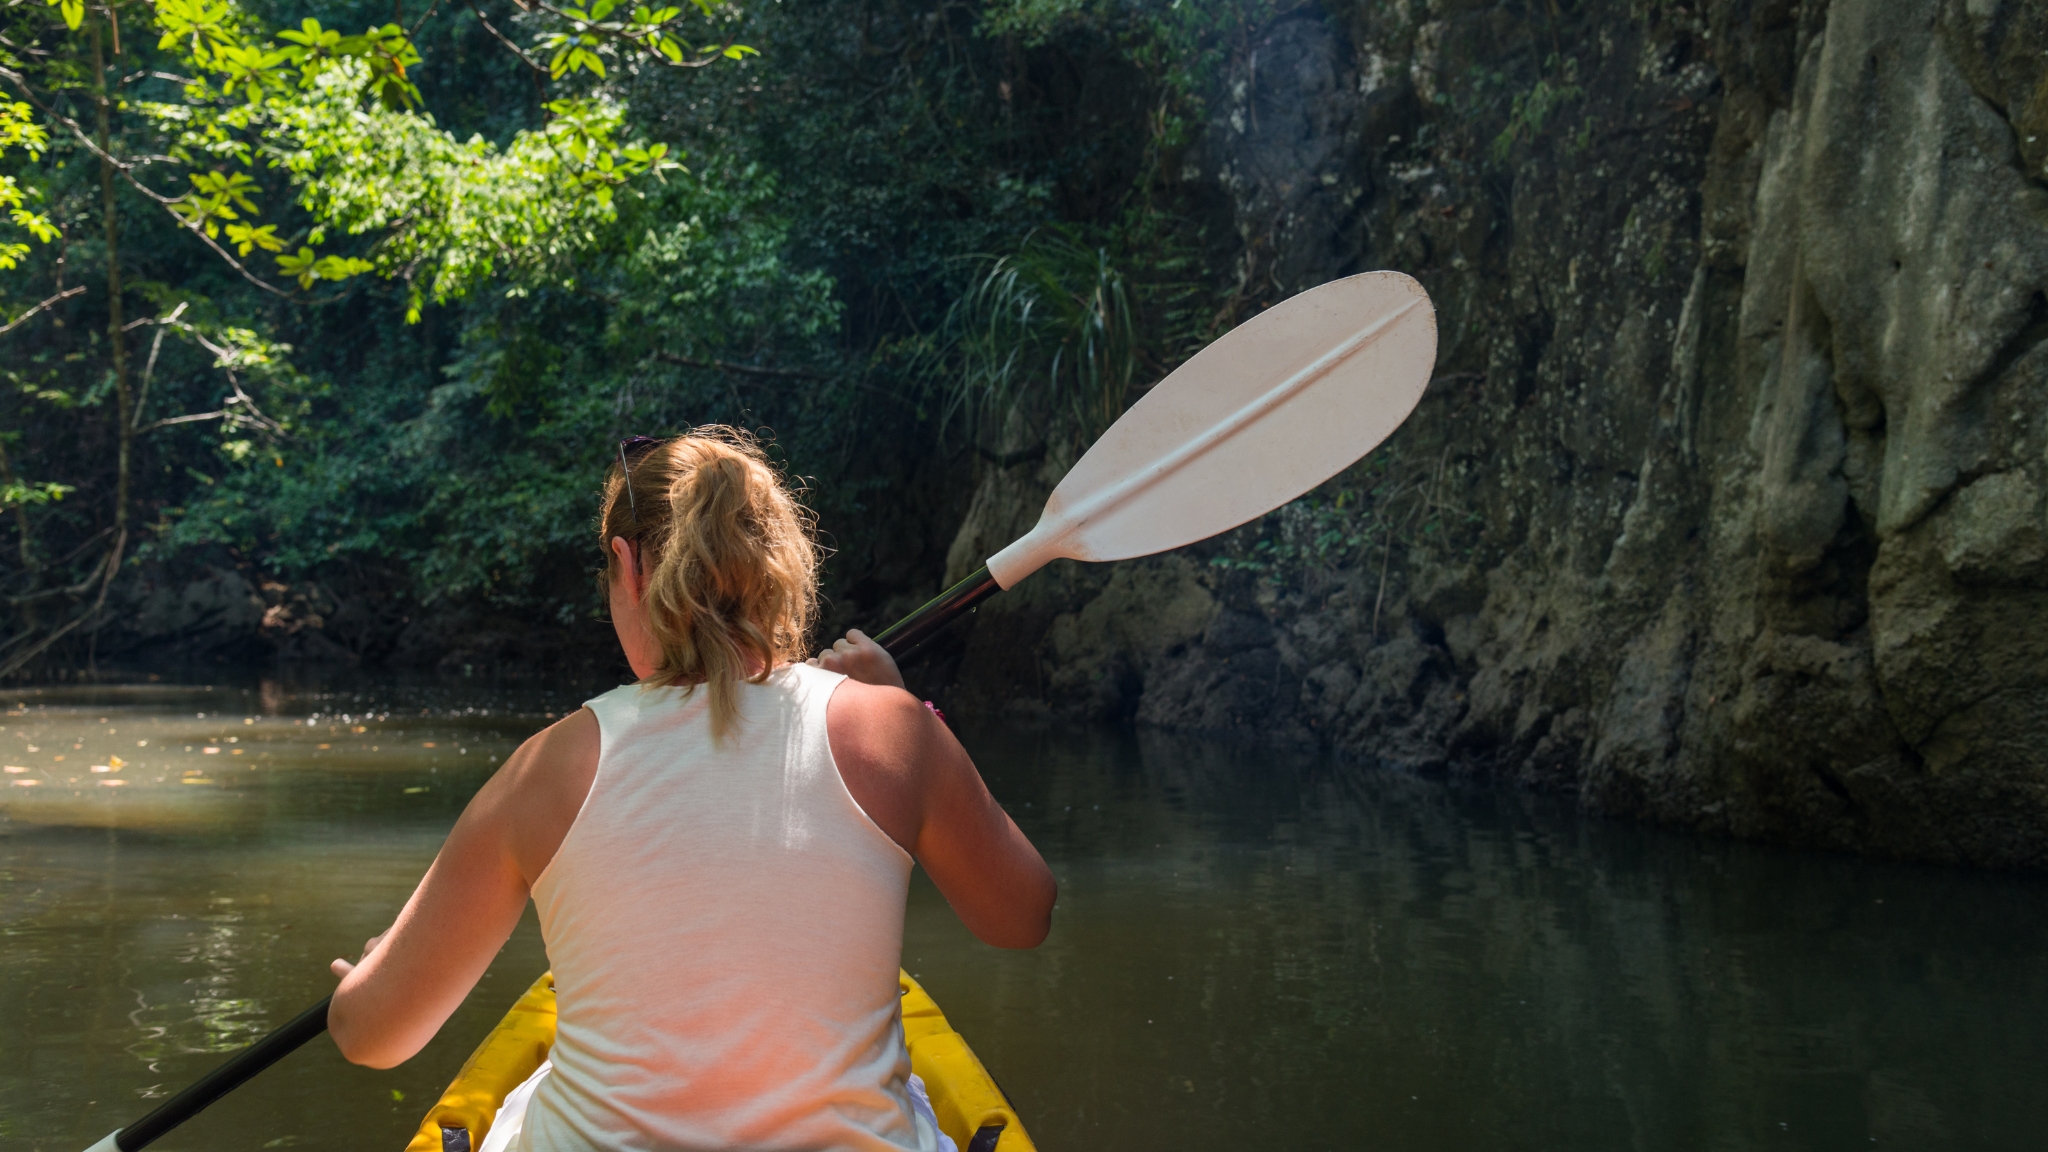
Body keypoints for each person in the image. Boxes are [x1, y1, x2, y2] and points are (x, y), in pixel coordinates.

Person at [327, 428, 1057, 1151]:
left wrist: (369, 976)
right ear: (776, 565)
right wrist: (911, 716)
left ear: (628, 566)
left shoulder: (546, 768)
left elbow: (372, 1037)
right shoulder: (892, 729)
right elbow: (1022, 916)